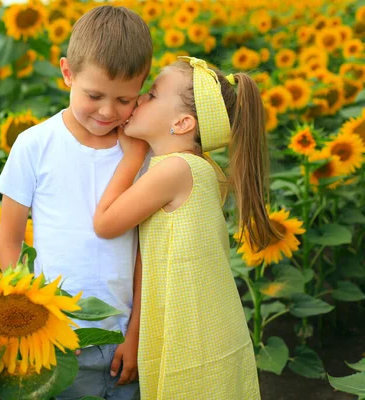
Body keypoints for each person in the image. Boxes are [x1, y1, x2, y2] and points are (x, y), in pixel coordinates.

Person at [0, 5, 152, 399]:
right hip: (58, 336)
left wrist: (136, 334)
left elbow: (146, 252)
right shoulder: (35, 144)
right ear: (67, 73)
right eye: (94, 95)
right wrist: (35, 323)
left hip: (124, 337)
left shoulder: (143, 155)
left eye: (124, 100)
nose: (106, 112)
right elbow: (10, 241)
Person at [93, 56, 276, 399]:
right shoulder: (199, 169)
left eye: (152, 94)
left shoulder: (174, 170)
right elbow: (150, 255)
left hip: (192, 339)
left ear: (181, 123)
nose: (139, 99)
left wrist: (133, 155)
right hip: (208, 330)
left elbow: (105, 223)